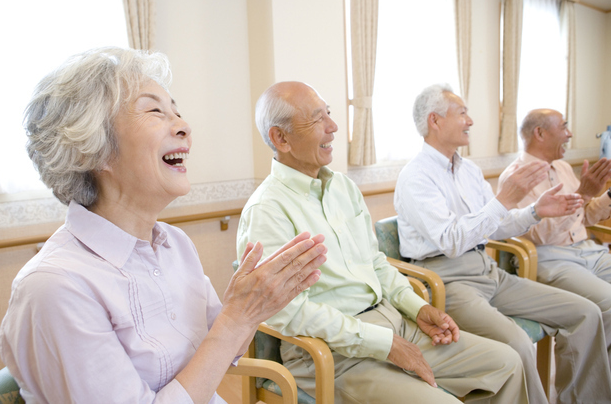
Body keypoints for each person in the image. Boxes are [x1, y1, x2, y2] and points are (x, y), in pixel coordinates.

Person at [0, 47, 328, 404]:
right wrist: (236, 319)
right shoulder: (54, 288)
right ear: (91, 148)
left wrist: (250, 307)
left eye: (177, 111)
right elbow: (225, 335)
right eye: (155, 110)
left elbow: (223, 349)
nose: (184, 126)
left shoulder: (175, 244)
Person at [237, 81, 531, 404]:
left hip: (392, 322)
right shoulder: (267, 209)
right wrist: (383, 343)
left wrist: (417, 308)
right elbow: (289, 313)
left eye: (329, 115)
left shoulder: (343, 188)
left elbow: (376, 264)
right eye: (317, 119)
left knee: (508, 364)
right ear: (281, 138)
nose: (333, 128)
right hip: (329, 354)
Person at [394, 83, 611, 404]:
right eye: (462, 113)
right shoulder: (416, 177)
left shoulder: (468, 169)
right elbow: (451, 240)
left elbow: (496, 226)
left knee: (587, 313)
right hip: (447, 280)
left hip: (489, 270)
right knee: (517, 344)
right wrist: (505, 199)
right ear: (435, 121)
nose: (470, 120)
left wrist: (535, 211)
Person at [499, 108, 611, 355]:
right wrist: (583, 194)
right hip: (551, 259)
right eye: (563, 127)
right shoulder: (516, 177)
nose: (569, 134)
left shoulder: (563, 168)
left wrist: (605, 195)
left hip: (586, 251)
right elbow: (541, 235)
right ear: (539, 133)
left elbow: (585, 218)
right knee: (608, 303)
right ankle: (588, 392)